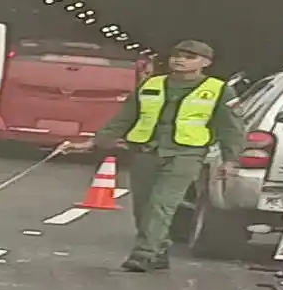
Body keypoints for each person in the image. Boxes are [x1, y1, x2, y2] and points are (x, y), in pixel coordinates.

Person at [65, 40, 244, 272]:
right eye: (177, 55)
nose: (180, 60)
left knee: (162, 203)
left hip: (186, 154)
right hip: (146, 152)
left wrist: (231, 160)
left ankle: (143, 254)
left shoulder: (220, 90)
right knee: (143, 206)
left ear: (206, 63)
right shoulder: (152, 84)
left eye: (190, 57)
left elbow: (232, 128)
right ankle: (159, 250)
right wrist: (94, 142)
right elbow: (125, 117)